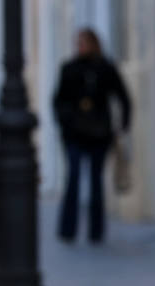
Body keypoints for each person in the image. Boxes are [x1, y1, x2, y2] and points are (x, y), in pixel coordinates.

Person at [52, 28, 130, 244]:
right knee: (74, 178)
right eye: (78, 43)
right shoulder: (69, 69)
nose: (80, 47)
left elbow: (122, 96)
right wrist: (65, 121)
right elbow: (59, 100)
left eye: (83, 42)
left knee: (96, 182)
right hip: (74, 133)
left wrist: (123, 124)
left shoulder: (105, 68)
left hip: (98, 133)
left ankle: (96, 231)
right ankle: (68, 229)